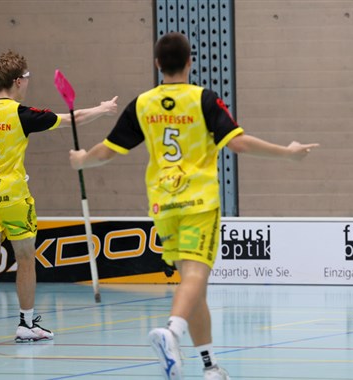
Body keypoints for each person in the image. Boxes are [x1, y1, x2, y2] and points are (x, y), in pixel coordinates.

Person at [69, 32, 317, 380]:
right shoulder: (204, 99)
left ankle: (209, 365)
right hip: (199, 201)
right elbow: (240, 144)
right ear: (190, 62)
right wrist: (287, 152)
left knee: (192, 283)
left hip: (163, 204)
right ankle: (171, 333)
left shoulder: (142, 103)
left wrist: (81, 160)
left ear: (158, 64)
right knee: (197, 276)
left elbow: (108, 150)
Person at [0, 50, 119, 342]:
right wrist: (103, 109)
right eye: (26, 77)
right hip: (13, 197)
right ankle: (27, 324)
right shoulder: (22, 114)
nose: (27, 82)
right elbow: (72, 118)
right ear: (17, 81)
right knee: (26, 256)